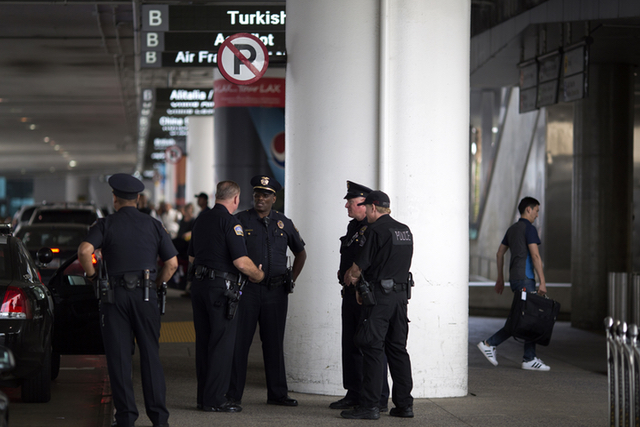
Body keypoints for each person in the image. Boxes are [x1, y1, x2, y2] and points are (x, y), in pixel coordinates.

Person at [78, 173, 178, 427]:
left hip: (115, 297)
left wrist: (92, 278)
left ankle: (125, 419)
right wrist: (156, 286)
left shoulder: (105, 224)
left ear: (115, 198)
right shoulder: (154, 225)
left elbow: (84, 251)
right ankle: (159, 419)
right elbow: (172, 264)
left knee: (120, 358)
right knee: (150, 356)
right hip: (146, 296)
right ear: (138, 199)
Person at [227, 175, 307, 407]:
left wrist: (291, 280)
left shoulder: (285, 223)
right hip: (248, 291)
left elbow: (301, 253)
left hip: (276, 293)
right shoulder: (239, 220)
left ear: (274, 198)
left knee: (274, 343)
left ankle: (278, 394)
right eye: (257, 194)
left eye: (265, 195)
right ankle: (233, 395)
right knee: (240, 343)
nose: (260, 198)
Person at [188, 181, 265, 413]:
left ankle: (204, 398)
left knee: (203, 342)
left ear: (215, 196)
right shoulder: (231, 222)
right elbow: (241, 261)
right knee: (222, 344)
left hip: (199, 286)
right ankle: (215, 400)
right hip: (222, 290)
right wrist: (258, 275)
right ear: (236, 199)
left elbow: (191, 257)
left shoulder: (201, 219)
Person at [342, 190, 414, 420]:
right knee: (398, 350)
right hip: (401, 299)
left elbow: (359, 267)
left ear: (373, 208)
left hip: (379, 300)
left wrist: (350, 277)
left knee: (372, 348)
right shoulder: (405, 230)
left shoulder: (375, 230)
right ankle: (404, 405)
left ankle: (370, 406)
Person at [330, 181, 390, 412]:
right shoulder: (353, 227)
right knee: (351, 345)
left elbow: (371, 263)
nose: (346, 205)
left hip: (364, 296)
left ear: (365, 205)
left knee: (372, 347)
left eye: (351, 202)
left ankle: (378, 398)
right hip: (349, 294)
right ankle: (354, 392)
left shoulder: (373, 229)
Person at [477, 196, 550, 371]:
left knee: (525, 317)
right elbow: (535, 256)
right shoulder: (529, 229)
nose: (537, 215)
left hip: (516, 279)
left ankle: (528, 357)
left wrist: (500, 278)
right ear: (528, 210)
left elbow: (499, 253)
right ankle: (491, 344)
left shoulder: (512, 229)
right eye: (536, 211)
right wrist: (543, 282)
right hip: (526, 279)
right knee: (525, 317)